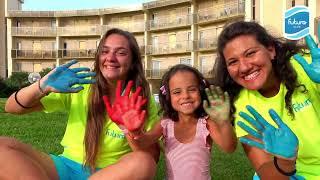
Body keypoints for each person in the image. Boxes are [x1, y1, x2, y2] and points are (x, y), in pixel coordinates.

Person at [3, 28, 160, 180]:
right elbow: (11, 107)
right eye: (105, 51)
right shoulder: (80, 86)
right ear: (98, 57)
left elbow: (151, 158)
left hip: (112, 173)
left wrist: (132, 132)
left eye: (121, 53)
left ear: (133, 61)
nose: (110, 58)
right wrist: (42, 86)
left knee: (144, 163)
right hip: (65, 167)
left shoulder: (140, 98)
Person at [213, 20, 320, 179]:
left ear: (270, 50)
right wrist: (285, 161)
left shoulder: (305, 66)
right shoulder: (243, 106)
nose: (244, 67)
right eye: (233, 62)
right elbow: (266, 172)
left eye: (250, 53)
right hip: (294, 173)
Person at [106, 64, 237, 180]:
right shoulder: (165, 124)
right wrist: (132, 130)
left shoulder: (206, 123)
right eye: (177, 92)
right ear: (168, 96)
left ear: (201, 90)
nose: (185, 96)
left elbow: (229, 147)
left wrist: (224, 122)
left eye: (192, 89)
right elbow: (143, 142)